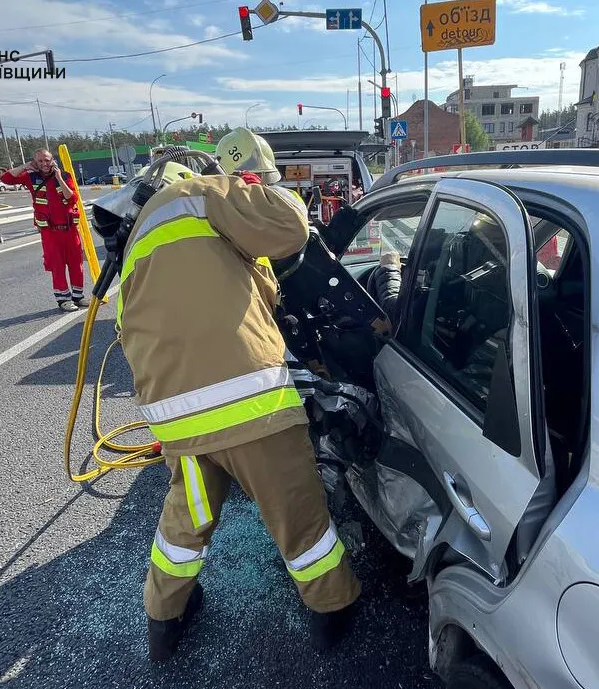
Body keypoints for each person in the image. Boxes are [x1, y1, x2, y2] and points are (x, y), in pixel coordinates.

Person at [116, 128, 361, 663]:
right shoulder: (204, 195)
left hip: (174, 415)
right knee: (297, 515)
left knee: (187, 519)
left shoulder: (143, 234)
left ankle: (165, 619)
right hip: (248, 403)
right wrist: (256, 187)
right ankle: (334, 609)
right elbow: (291, 227)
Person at [1, 149, 86, 311]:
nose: (44, 164)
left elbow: (72, 198)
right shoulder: (31, 177)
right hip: (50, 232)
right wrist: (25, 166)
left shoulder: (65, 176)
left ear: (52, 160)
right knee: (57, 265)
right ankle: (63, 300)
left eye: (46, 160)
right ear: (35, 162)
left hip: (69, 230)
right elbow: (6, 179)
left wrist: (59, 177)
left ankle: (78, 296)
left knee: (77, 264)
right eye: (40, 161)